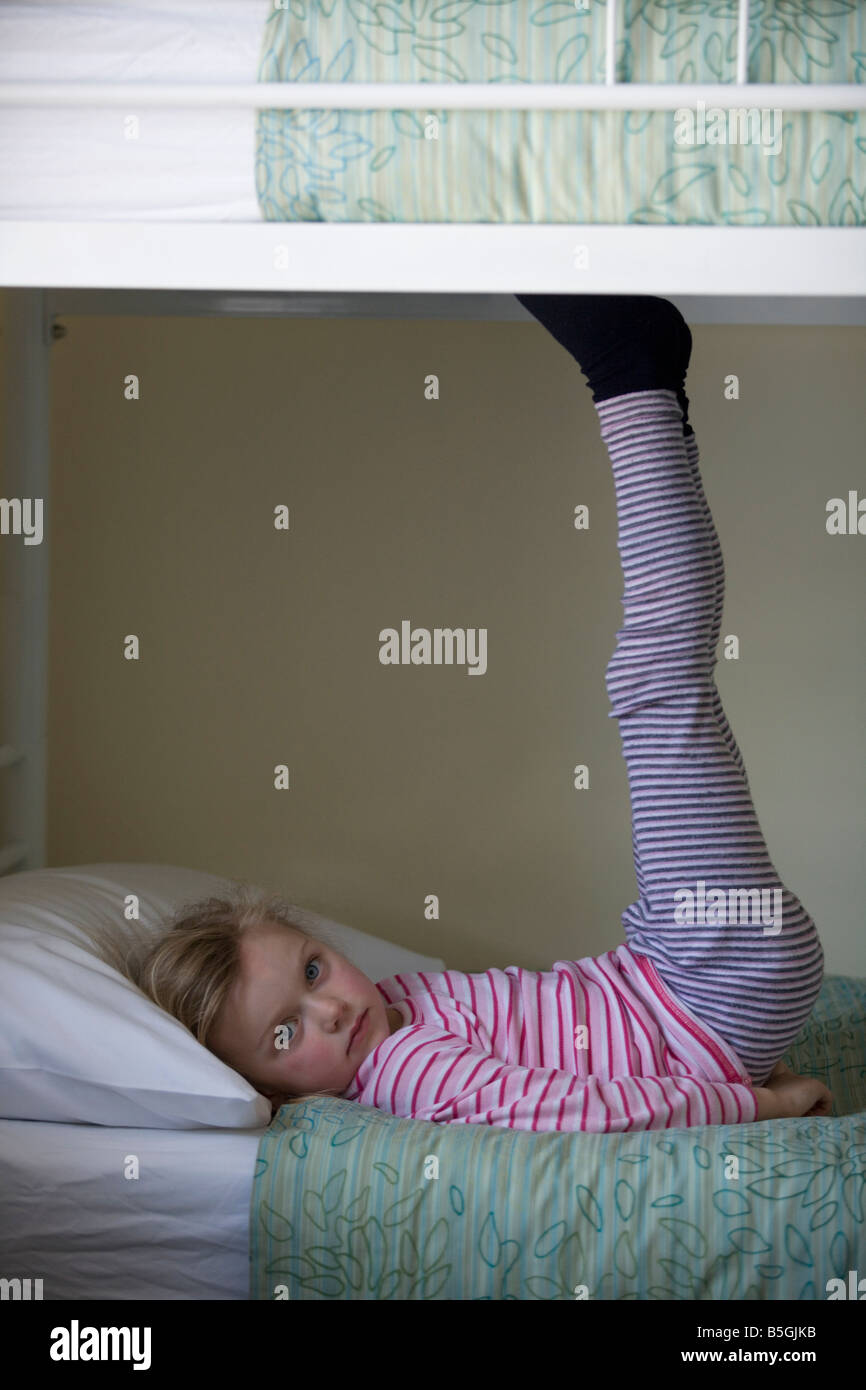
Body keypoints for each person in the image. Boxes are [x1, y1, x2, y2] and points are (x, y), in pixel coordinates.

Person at [136, 295, 831, 1133]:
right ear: (276, 1090)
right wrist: (747, 1102)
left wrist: (733, 1058)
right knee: (657, 683)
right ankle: (633, 377)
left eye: (314, 972)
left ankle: (650, 391)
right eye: (285, 1035)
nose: (328, 1014)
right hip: (708, 990)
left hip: (675, 980)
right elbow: (570, 1111)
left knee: (665, 679)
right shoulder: (401, 1071)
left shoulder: (393, 1007)